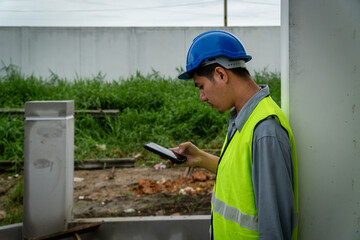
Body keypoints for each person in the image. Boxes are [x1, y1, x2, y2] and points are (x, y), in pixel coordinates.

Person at [171, 30, 299, 239]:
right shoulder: (243, 118)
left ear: (221, 74)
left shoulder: (265, 130)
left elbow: (273, 228)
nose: (202, 97)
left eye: (201, 87)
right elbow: (242, 173)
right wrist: (201, 158)